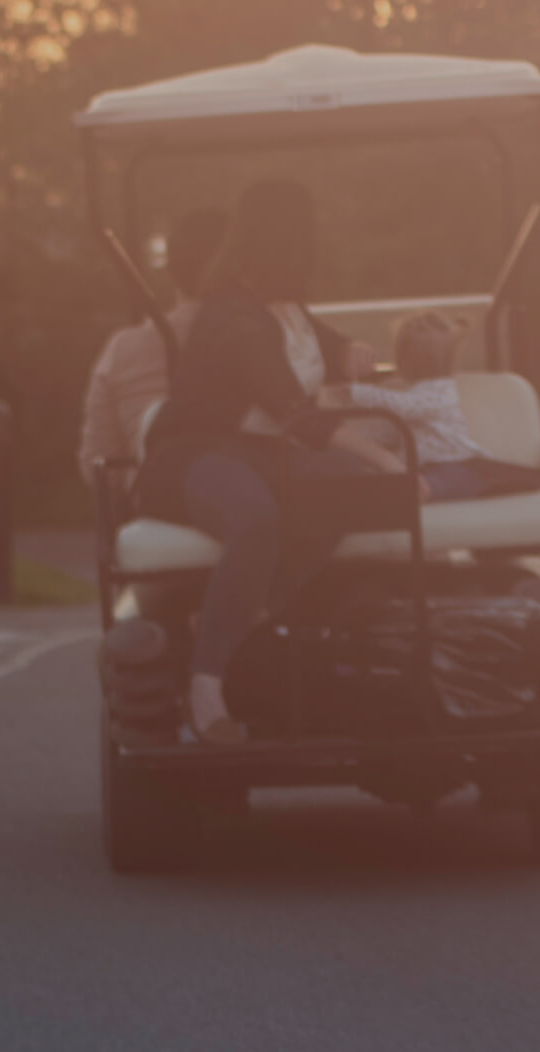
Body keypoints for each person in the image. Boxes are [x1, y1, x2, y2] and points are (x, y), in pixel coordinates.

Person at [138, 179, 396, 742]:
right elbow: (293, 411)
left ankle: (240, 614)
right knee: (258, 521)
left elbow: (322, 345)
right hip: (196, 454)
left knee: (350, 492)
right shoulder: (233, 318)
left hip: (260, 454)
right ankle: (206, 684)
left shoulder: (286, 306)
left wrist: (347, 349)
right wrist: (384, 456)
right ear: (284, 239)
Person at [78, 207, 227, 486]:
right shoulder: (270, 340)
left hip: (153, 501)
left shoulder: (122, 349)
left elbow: (96, 464)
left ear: (171, 271)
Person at [341, 310, 540, 503]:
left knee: (452, 479)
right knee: (411, 476)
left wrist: (355, 392)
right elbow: (389, 431)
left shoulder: (442, 391)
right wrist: (350, 438)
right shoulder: (409, 394)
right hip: (423, 469)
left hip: (458, 465)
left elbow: (407, 407)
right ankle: (415, 488)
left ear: (404, 361)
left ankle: (423, 490)